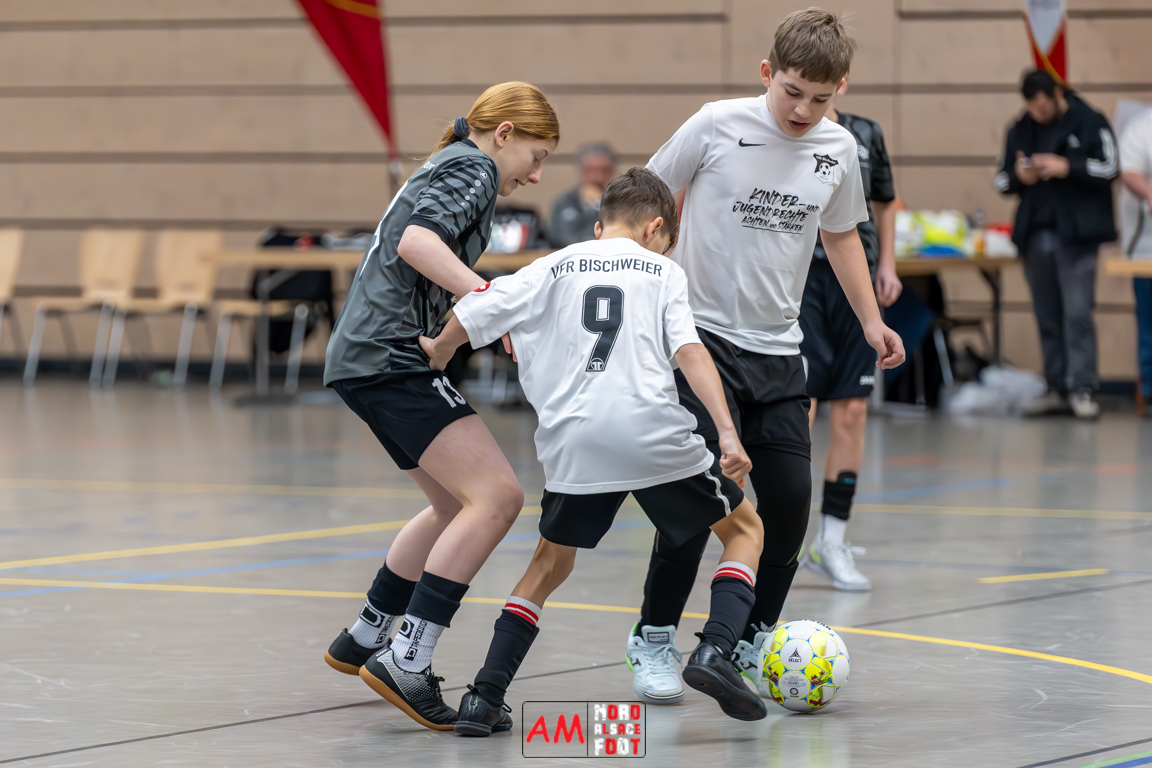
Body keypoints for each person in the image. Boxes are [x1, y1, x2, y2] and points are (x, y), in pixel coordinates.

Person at [622, 8, 905, 704]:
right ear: (766, 73)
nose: (803, 110)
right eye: (791, 92)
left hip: (779, 351)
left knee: (788, 509)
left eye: (820, 98)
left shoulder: (839, 149)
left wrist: (871, 322)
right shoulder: (715, 124)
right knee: (700, 502)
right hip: (700, 342)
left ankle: (746, 645)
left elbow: (842, 236)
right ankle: (653, 637)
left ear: (841, 88)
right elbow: (645, 200)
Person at [420, 168, 768, 732]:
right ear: (656, 229)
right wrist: (727, 433)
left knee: (548, 566)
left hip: (573, 441)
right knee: (745, 530)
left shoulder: (552, 265)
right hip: (652, 431)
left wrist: (439, 347)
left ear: (601, 226)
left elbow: (479, 306)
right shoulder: (663, 272)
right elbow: (690, 352)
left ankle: (485, 695)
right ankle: (715, 650)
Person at [320, 82, 560, 731]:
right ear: (504, 134)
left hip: (366, 355)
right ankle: (407, 658)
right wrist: (491, 299)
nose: (536, 175)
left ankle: (367, 634)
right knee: (499, 497)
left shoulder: (452, 162)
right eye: (536, 157)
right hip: (389, 354)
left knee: (454, 505)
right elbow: (418, 244)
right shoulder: (474, 166)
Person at [798, 78, 901, 591]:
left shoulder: (865, 134)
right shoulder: (788, 130)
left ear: (840, 83)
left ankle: (831, 540)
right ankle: (778, 537)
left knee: (853, 410)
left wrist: (888, 264)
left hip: (854, 280)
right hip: (802, 281)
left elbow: (887, 202)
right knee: (800, 409)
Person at [995, 70, 1119, 420]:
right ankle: (1055, 387)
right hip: (1036, 234)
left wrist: (1068, 166)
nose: (1040, 111)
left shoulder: (1089, 120)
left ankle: (1082, 387)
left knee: (1077, 314)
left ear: (1058, 95)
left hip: (1077, 235)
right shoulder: (1020, 128)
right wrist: (1020, 176)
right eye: (1033, 106)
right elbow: (1001, 179)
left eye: (1045, 104)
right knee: (1047, 315)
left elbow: (1111, 167)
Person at [1118, 106, 1152, 413]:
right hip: (1146, 246)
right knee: (1149, 322)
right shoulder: (1141, 127)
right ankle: (1150, 390)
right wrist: (1149, 192)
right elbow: (1129, 172)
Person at [548, 142, 617, 247]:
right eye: (590, 170)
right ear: (581, 170)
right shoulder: (564, 202)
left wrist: (598, 206)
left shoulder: (621, 204)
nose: (597, 177)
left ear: (613, 171)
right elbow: (559, 238)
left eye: (604, 170)